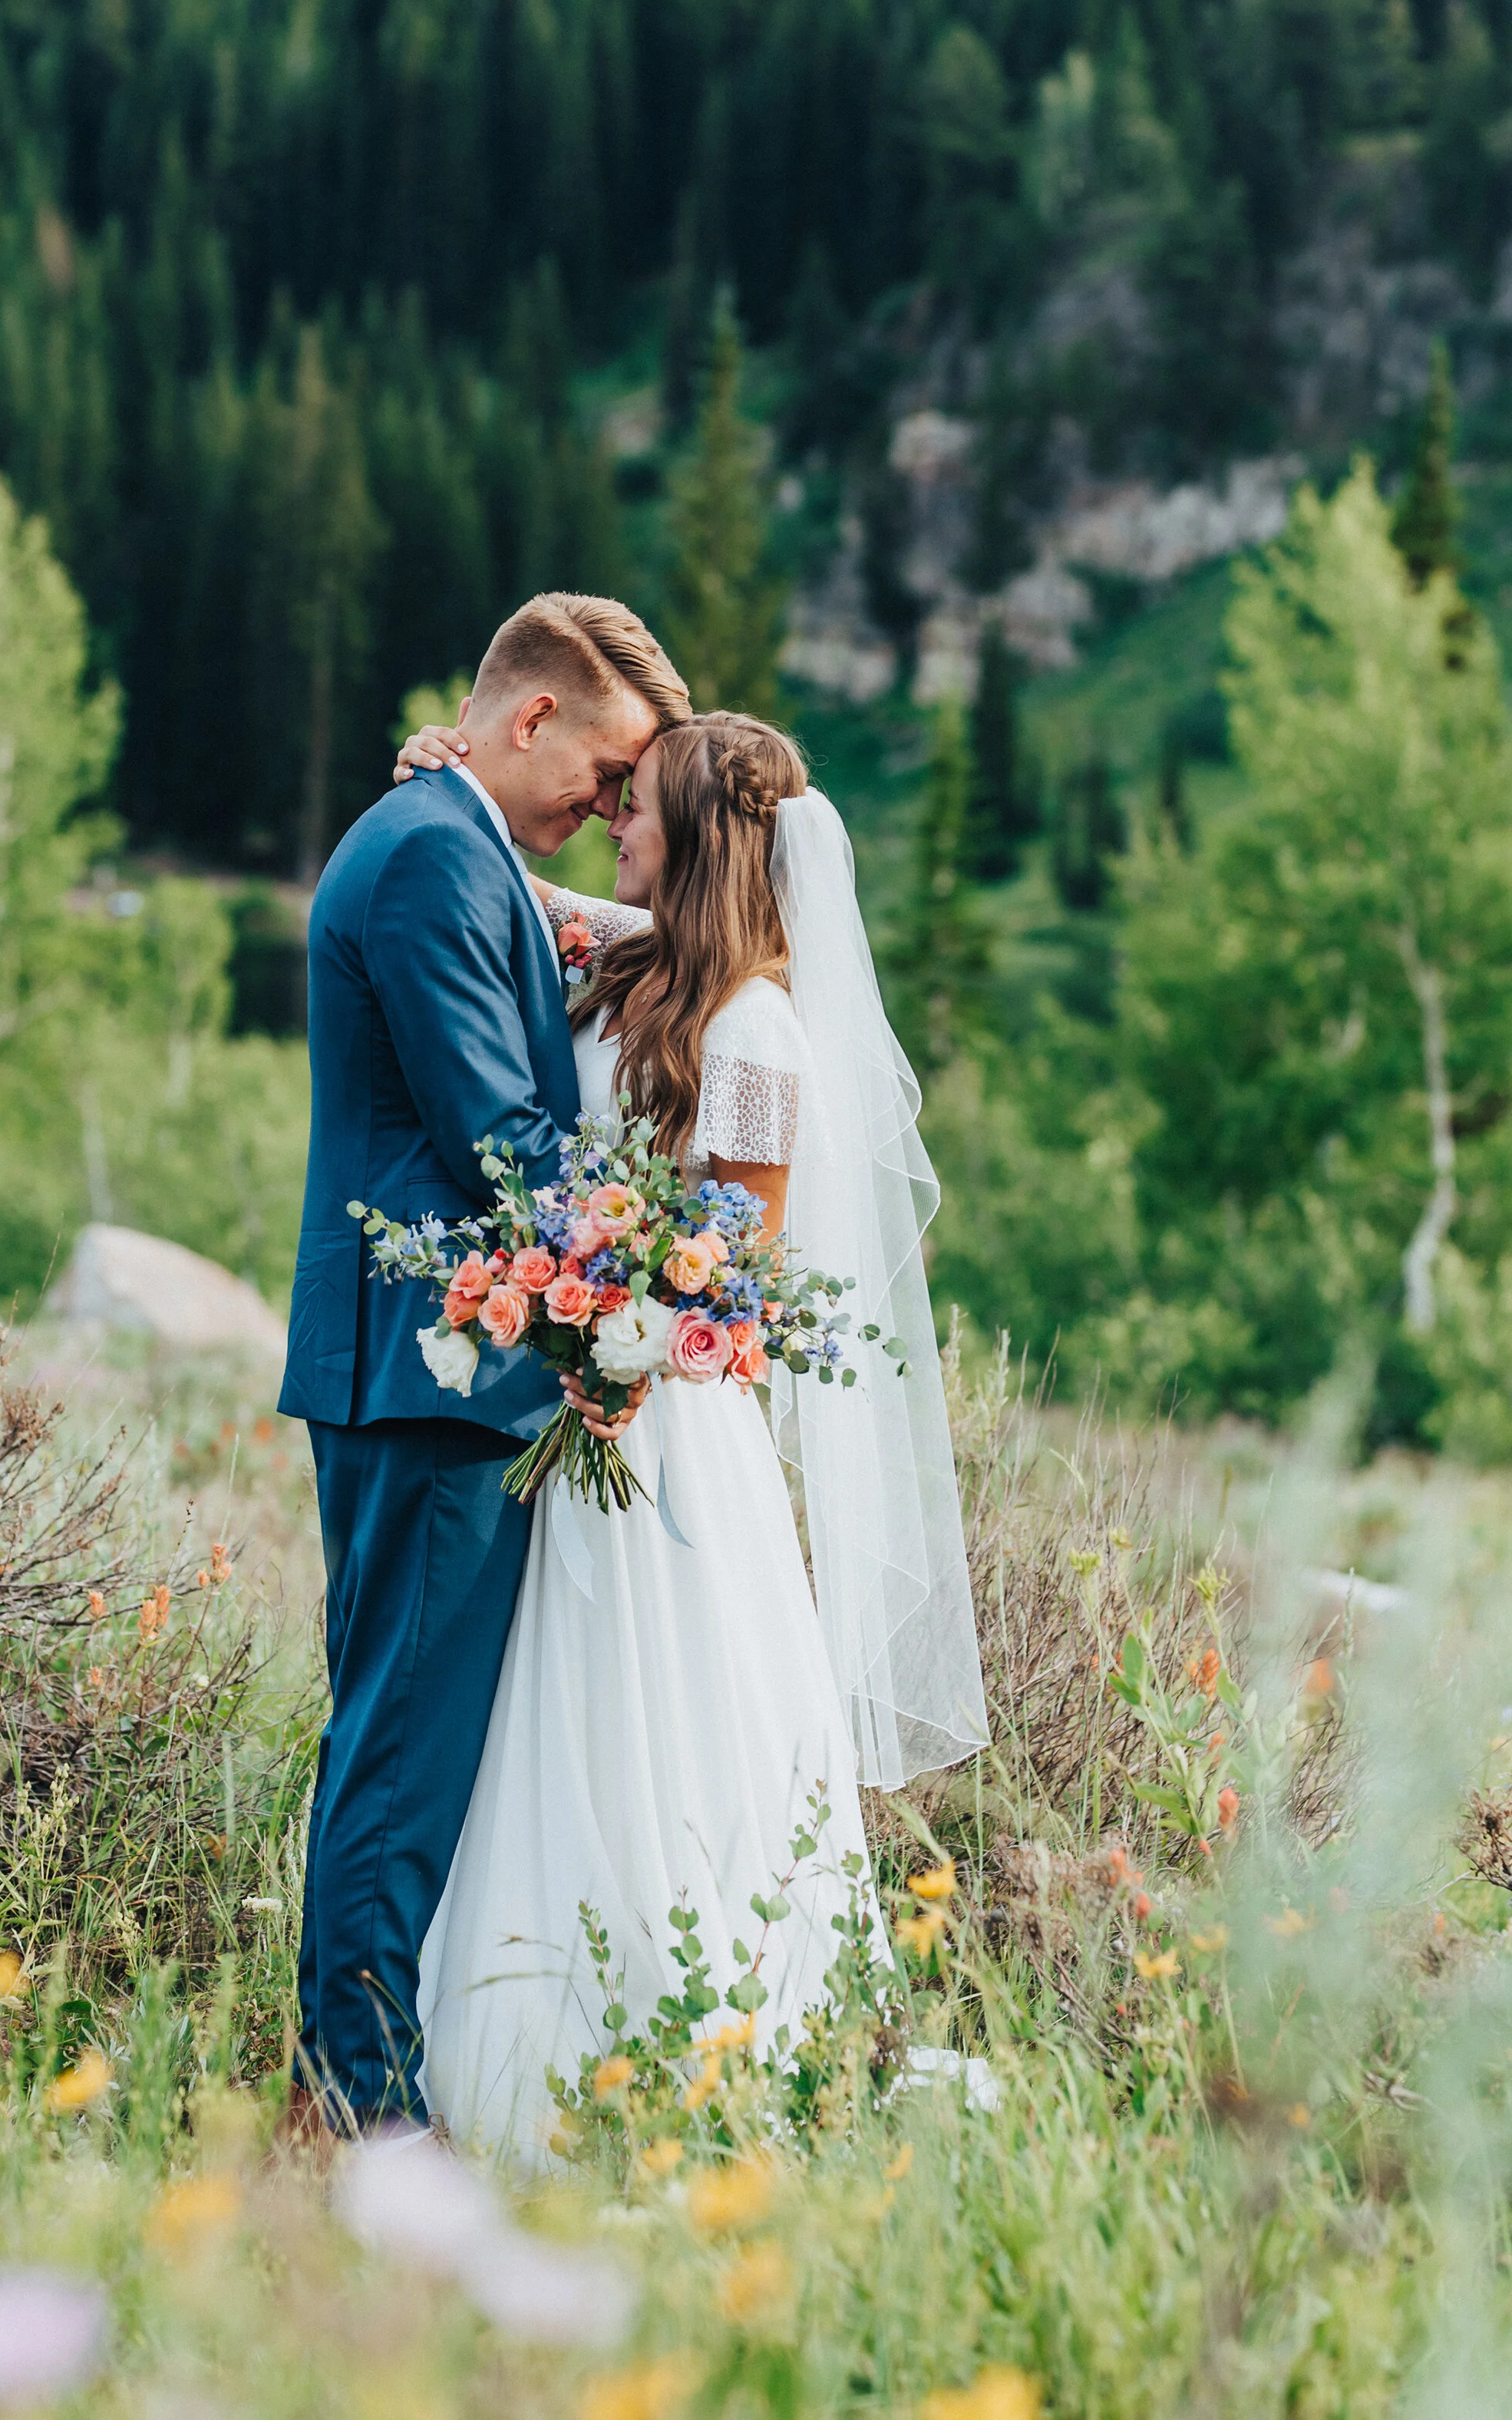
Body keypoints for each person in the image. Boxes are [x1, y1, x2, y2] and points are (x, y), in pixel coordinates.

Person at [391, 706, 989, 2161]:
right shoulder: (641, 961)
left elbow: (735, 1276)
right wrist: (449, 776)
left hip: (671, 1442)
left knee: (666, 1725)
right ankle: (531, 2044)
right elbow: (538, 897)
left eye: (639, 808)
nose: (617, 825)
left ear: (706, 840)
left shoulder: (761, 1032)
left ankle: (695, 2057)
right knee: (560, 1725)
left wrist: (623, 1346)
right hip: (590, 1406)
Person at [279, 592, 691, 2138]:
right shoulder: (435, 857)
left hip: (434, 1367)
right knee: (398, 1756)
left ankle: (356, 2093)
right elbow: (506, 1150)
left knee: (400, 1743)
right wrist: (678, 1265)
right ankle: (359, 2117)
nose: (611, 806)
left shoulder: (452, 844)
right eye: (605, 770)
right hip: (431, 1371)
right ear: (531, 721)